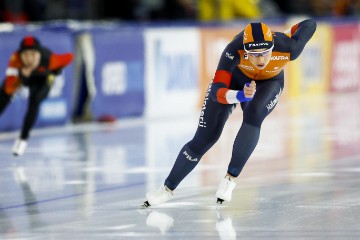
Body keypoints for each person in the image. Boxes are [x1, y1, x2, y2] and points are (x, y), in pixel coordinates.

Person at [142, 19, 317, 207]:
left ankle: (230, 179)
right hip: (234, 82)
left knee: (255, 113)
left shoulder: (288, 47)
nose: (261, 60)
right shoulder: (233, 50)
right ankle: (167, 188)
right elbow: (218, 93)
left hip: (269, 83)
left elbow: (310, 23)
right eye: (254, 54)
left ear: (273, 46)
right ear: (245, 50)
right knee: (205, 138)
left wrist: (286, 32)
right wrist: (241, 95)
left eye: (265, 53)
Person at [0, 36, 73, 156]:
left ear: (40, 53)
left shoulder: (50, 59)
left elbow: (69, 57)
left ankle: (22, 140)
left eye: (33, 54)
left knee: (34, 100)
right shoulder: (15, 60)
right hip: (22, 76)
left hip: (43, 79)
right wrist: (22, 76)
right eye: (26, 54)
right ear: (20, 55)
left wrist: (55, 70)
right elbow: (8, 89)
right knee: (2, 98)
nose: (29, 59)